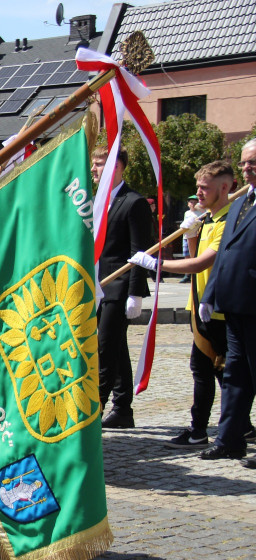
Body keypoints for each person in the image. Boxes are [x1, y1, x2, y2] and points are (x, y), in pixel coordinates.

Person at [128, 160, 254, 449]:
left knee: (219, 372)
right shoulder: (208, 219)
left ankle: (207, 429)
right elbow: (195, 257)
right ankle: (237, 426)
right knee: (209, 371)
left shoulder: (229, 222)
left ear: (224, 188)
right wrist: (192, 234)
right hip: (198, 304)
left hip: (220, 308)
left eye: (205, 187)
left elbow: (199, 264)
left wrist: (157, 264)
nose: (198, 192)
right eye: (198, 186)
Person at [198, 140, 256, 466]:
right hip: (234, 304)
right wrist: (210, 295)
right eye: (245, 163)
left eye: (254, 163)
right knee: (235, 375)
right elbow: (224, 254)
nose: (247, 168)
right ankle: (230, 440)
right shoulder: (239, 202)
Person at [91, 147, 151, 429]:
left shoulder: (133, 202)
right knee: (116, 348)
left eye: (100, 163)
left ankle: (96, 409)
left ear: (118, 166)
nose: (94, 169)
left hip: (119, 286)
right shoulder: (97, 201)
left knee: (104, 349)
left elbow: (141, 250)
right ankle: (123, 408)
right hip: (98, 285)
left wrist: (136, 292)